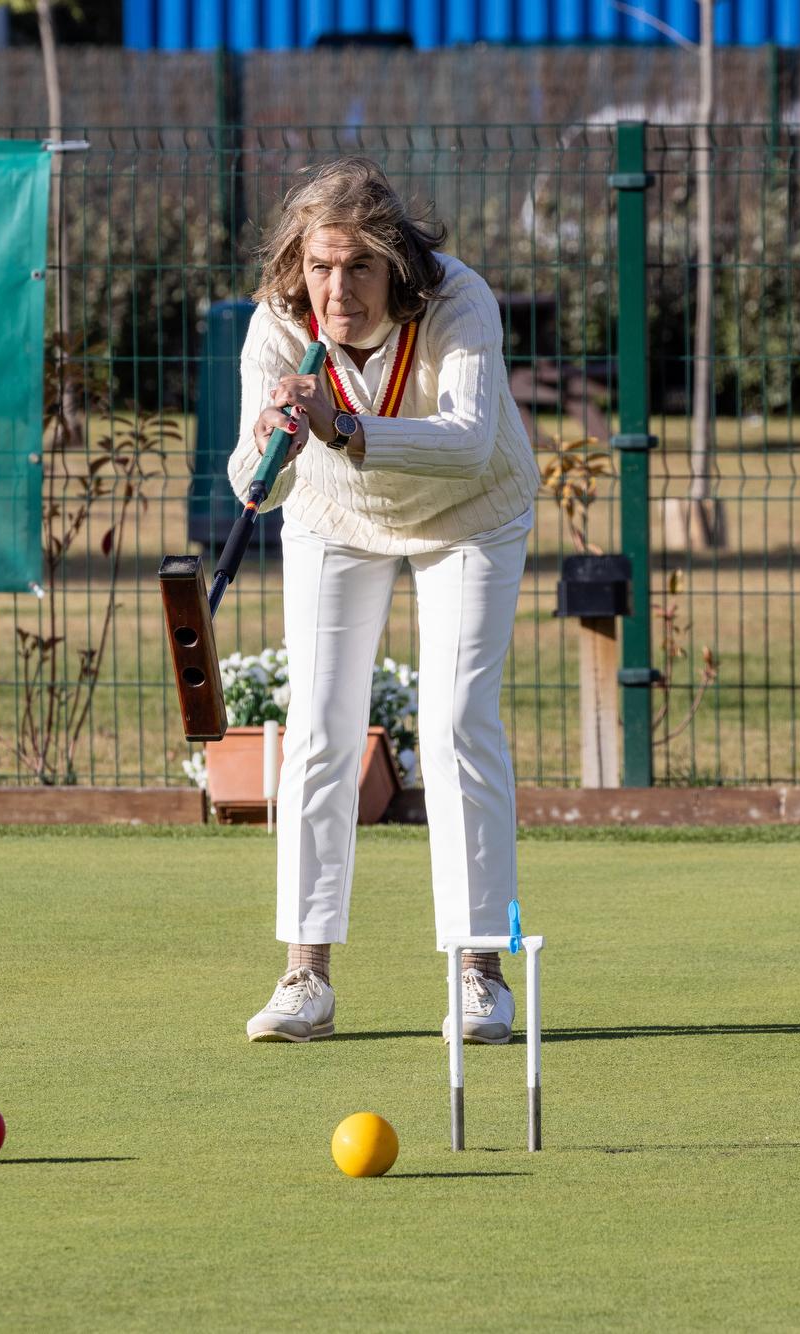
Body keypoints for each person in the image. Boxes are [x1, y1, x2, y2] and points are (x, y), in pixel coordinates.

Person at [226, 156, 539, 1045]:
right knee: (320, 732)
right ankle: (304, 979)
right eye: (321, 265)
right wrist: (269, 438)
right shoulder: (277, 327)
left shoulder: (457, 302)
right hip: (336, 515)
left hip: (471, 516)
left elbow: (471, 443)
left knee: (454, 725)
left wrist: (342, 426)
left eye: (359, 265)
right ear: (298, 265)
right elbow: (255, 488)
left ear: (395, 264)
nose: (338, 287)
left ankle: (481, 973)